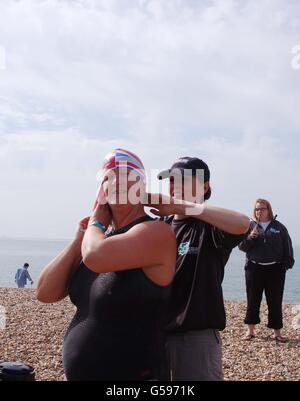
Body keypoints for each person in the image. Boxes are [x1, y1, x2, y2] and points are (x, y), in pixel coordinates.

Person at [36, 148, 176, 381]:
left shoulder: (156, 232)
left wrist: (95, 224)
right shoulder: (97, 239)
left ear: (141, 186)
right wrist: (79, 238)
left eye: (127, 175)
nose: (118, 182)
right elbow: (45, 292)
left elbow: (95, 256)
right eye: (109, 177)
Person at [147, 157, 250, 381]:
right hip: (156, 336)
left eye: (183, 179)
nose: (174, 185)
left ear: (205, 186)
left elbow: (244, 224)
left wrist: (183, 206)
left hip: (194, 341)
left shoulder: (209, 226)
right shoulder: (160, 227)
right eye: (171, 180)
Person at [238, 198, 294, 343]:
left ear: (269, 209)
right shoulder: (249, 226)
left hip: (275, 270)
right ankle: (250, 331)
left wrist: (286, 265)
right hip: (254, 268)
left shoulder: (279, 227)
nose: (259, 212)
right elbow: (242, 247)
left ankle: (277, 332)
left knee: (275, 301)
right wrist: (251, 238)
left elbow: (287, 246)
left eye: (262, 208)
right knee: (252, 300)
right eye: (257, 209)